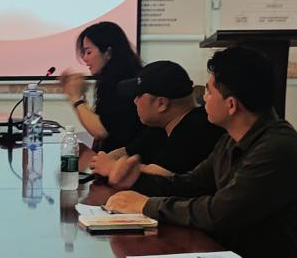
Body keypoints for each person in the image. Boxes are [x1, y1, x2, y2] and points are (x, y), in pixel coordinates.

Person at [105, 46, 297, 258]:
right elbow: (193, 183)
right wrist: (138, 181)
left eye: (209, 91)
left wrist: (147, 205)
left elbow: (218, 213)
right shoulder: (232, 139)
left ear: (231, 104)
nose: (203, 98)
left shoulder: (275, 148)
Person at [91, 60, 224, 180]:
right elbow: (126, 152)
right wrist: (105, 161)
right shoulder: (161, 126)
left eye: (139, 95)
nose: (135, 101)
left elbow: (162, 177)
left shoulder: (196, 129)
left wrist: (111, 167)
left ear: (161, 104)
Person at [60, 21, 144, 152]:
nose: (84, 58)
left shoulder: (123, 83)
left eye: (88, 52)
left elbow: (101, 130)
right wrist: (76, 97)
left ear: (108, 52)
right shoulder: (113, 77)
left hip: (123, 159)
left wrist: (76, 98)